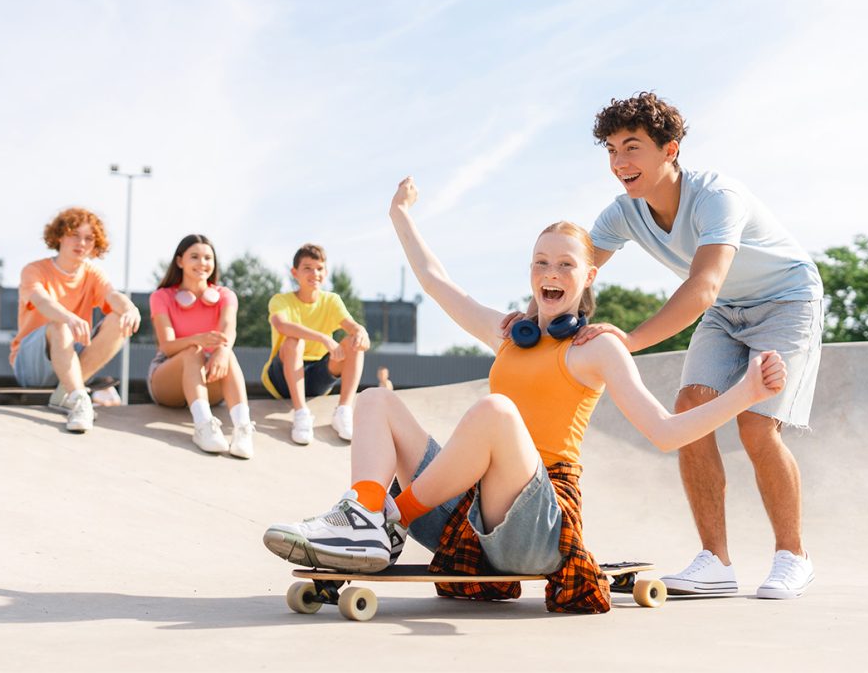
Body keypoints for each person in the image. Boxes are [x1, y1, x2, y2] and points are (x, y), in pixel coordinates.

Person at [262, 177, 786, 613]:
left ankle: (389, 517)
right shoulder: (511, 334)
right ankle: (368, 516)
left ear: (588, 277)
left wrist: (743, 392)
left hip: (540, 525)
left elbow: (666, 433)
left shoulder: (597, 348)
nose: (550, 274)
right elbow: (437, 282)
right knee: (377, 401)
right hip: (470, 515)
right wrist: (401, 215)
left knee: (495, 410)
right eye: (540, 263)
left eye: (564, 265)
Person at [549, 92, 821, 600]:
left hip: (785, 299)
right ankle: (714, 561)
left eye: (632, 147)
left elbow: (703, 287)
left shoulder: (717, 196)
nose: (620, 162)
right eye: (610, 150)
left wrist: (626, 341)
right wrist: (531, 318)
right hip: (726, 313)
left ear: (669, 150)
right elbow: (572, 271)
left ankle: (793, 555)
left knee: (756, 422)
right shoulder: (623, 212)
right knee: (691, 405)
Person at [10, 207, 140, 433]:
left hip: (73, 361)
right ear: (60, 236)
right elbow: (43, 302)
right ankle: (80, 399)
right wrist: (69, 317)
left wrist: (131, 309)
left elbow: (112, 296)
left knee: (121, 320)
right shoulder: (34, 270)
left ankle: (66, 392)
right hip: (31, 363)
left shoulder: (93, 274)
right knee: (59, 324)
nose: (81, 243)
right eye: (74, 235)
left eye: (89, 238)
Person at [148, 235, 255, 459]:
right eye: (194, 257)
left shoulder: (226, 296)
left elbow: (228, 329)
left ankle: (243, 429)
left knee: (228, 352)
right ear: (180, 261)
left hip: (210, 377)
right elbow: (166, 347)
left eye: (208, 258)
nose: (202, 263)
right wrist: (198, 339)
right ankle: (203, 425)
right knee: (193, 351)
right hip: (168, 379)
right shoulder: (162, 297)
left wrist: (222, 351)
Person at [260, 244, 370, 445]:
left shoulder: (331, 300)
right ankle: (301, 414)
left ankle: (343, 411)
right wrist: (323, 338)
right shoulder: (281, 300)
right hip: (282, 377)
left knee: (354, 343)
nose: (315, 273)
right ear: (295, 273)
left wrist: (360, 332)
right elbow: (282, 325)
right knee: (294, 340)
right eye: (307, 268)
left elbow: (351, 326)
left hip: (317, 376)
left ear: (325, 272)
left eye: (319, 268)